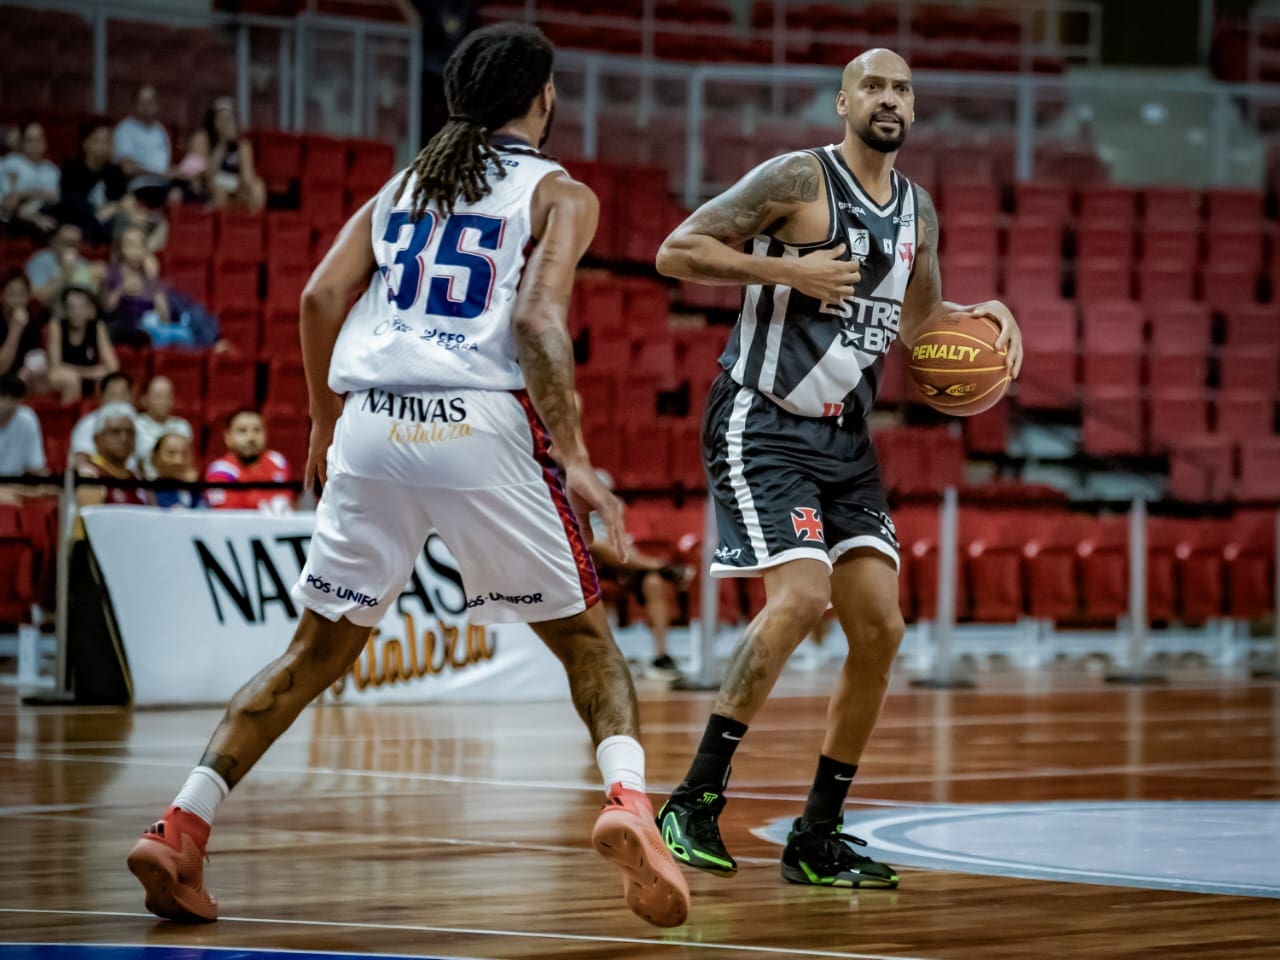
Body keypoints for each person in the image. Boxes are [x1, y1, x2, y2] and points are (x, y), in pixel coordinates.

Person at [127, 23, 689, 930]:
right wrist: (577, 459)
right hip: (477, 420)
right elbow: (541, 323)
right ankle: (629, 804)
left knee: (311, 656)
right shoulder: (558, 191)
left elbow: (317, 297)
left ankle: (181, 826)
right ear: (542, 98)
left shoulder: (404, 187)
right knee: (587, 645)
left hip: (373, 422)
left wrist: (320, 418)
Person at [652, 49, 1024, 888]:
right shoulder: (796, 180)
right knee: (802, 598)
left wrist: (986, 321)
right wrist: (785, 269)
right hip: (761, 420)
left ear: (913, 109)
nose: (889, 99)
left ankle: (816, 834)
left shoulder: (917, 209)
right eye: (875, 87)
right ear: (843, 101)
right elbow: (678, 250)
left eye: (903, 89)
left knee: (882, 628)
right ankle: (692, 800)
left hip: (845, 441)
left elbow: (922, 321)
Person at [202, 409, 291, 512]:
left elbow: (288, 502)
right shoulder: (219, 472)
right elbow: (229, 515)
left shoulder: (278, 461)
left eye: (257, 430)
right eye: (242, 431)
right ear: (227, 437)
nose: (251, 437)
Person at [59, 120, 131, 245]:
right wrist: (95, 212)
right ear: (86, 143)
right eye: (99, 141)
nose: (104, 146)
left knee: (125, 220)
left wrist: (113, 208)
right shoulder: (71, 168)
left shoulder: (115, 171)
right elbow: (69, 201)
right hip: (80, 222)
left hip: (108, 223)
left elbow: (124, 200)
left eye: (108, 142)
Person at [47, 286, 119, 404]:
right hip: (65, 379)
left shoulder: (98, 327)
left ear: (89, 309)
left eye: (81, 307)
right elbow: (55, 367)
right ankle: (69, 419)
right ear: (65, 310)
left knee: (110, 382)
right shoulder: (56, 326)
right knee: (71, 380)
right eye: (72, 307)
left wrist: (81, 373)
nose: (77, 312)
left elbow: (113, 367)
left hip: (87, 377)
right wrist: (86, 374)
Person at [103, 223, 169, 343]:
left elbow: (165, 317)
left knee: (181, 334)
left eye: (140, 246)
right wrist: (121, 290)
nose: (135, 251)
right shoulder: (112, 273)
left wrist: (152, 281)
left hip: (149, 328)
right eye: (130, 245)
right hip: (121, 327)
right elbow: (106, 308)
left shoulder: (149, 275)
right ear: (120, 249)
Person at [75, 401, 149, 506]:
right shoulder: (90, 475)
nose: (124, 439)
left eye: (129, 432)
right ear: (97, 439)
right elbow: (91, 521)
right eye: (115, 432)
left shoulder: (137, 478)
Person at [204, 98, 265, 213]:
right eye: (220, 120)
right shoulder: (210, 142)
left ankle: (253, 224)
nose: (224, 125)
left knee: (258, 187)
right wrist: (222, 144)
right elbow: (209, 175)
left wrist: (239, 147)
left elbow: (248, 177)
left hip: (236, 185)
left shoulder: (243, 145)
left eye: (228, 120)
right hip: (216, 186)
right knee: (220, 190)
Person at [0, 122, 60, 235]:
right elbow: (9, 202)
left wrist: (25, 194)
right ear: (22, 143)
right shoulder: (11, 163)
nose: (35, 145)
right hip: (14, 218)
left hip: (44, 213)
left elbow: (55, 198)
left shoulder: (52, 170)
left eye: (39, 140)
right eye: (30, 140)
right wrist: (36, 193)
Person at [25, 222, 103, 306]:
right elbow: (36, 298)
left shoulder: (83, 264)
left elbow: (95, 301)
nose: (70, 248)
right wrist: (65, 275)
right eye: (66, 243)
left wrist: (102, 283)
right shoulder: (41, 261)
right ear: (53, 242)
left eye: (74, 244)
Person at [69, 371, 134, 469]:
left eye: (123, 394)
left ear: (130, 397)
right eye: (113, 394)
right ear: (102, 397)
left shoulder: (137, 424)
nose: (118, 400)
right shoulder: (87, 425)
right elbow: (82, 462)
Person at [133, 376, 192, 479]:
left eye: (168, 396)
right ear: (144, 399)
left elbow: (189, 464)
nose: (164, 401)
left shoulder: (182, 425)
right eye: (158, 397)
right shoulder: (134, 425)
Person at [113, 85, 172, 181]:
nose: (146, 106)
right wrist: (159, 174)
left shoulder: (160, 129)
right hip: (138, 183)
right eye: (141, 102)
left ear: (156, 104)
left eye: (149, 102)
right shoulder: (124, 129)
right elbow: (127, 167)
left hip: (162, 181)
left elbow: (164, 164)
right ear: (134, 104)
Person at [0, 269, 44, 380]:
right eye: (11, 294)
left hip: (21, 376)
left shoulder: (33, 321)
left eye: (22, 294)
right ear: (1, 296)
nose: (17, 300)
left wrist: (26, 371)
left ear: (29, 296)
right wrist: (15, 329)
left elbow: (35, 357)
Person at [0, 373, 45, 478]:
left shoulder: (28, 419)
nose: (6, 404)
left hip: (15, 487)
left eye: (13, 399)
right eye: (2, 397)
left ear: (21, 400)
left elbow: (35, 467)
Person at [151, 431, 203, 508]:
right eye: (171, 453)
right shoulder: (149, 493)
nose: (179, 461)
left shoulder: (197, 492)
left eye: (185, 454)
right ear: (155, 458)